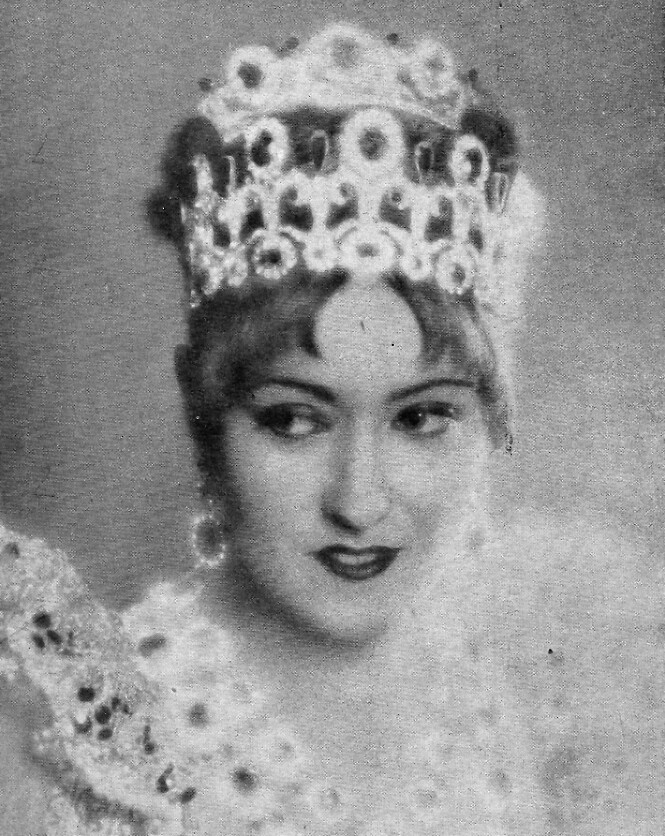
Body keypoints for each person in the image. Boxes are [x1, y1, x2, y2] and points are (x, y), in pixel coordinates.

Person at [0, 23, 660, 836]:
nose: (358, 500)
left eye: (420, 418)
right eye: (293, 420)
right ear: (204, 416)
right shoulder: (91, 727)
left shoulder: (534, 693)